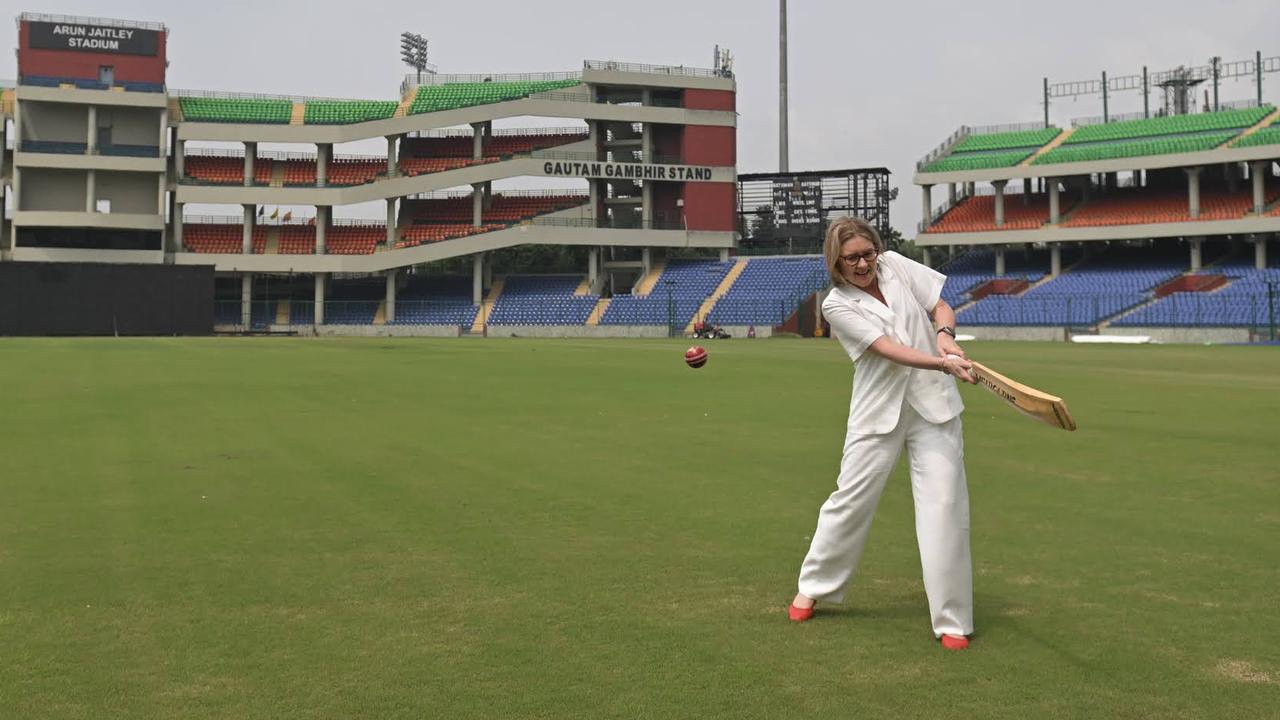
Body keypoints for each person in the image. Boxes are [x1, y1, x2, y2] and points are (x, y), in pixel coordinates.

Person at [788, 216, 978, 651]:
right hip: (877, 412)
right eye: (851, 258)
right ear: (835, 262)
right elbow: (887, 350)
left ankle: (952, 620)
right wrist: (942, 362)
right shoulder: (836, 304)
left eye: (867, 253)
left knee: (945, 506)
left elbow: (940, 305)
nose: (863, 264)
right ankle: (814, 585)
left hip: (935, 407)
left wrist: (945, 336)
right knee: (850, 500)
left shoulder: (894, 265)